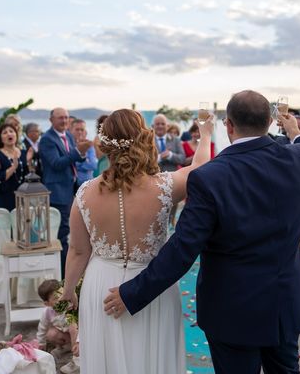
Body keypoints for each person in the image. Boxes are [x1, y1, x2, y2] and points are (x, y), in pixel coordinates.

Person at [101, 92, 300, 374]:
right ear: (271, 121)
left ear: (229, 125)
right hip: (285, 304)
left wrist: (132, 293)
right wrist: (297, 135)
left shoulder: (210, 177)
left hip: (232, 312)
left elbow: (183, 249)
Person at [60, 108, 215, 374]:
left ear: (106, 143)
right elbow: (200, 169)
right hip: (152, 287)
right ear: (144, 139)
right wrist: (206, 133)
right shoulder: (166, 186)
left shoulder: (85, 193)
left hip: (101, 286)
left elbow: (77, 251)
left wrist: (68, 291)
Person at [40, 108, 92, 274]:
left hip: (71, 188)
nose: (64, 121)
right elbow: (56, 163)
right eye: (60, 118)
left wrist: (81, 154)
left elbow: (73, 159)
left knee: (72, 231)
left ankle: (70, 269)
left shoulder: (68, 135)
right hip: (57, 191)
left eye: (66, 118)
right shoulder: (47, 139)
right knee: (62, 234)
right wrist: (78, 152)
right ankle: (63, 273)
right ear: (51, 120)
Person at [36, 280, 80, 373]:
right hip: (65, 335)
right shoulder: (47, 312)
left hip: (79, 335)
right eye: (56, 298)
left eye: (61, 293)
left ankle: (76, 359)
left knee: (73, 329)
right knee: (51, 334)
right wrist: (41, 344)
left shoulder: (70, 304)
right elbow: (42, 328)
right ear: (47, 303)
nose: (61, 298)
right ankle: (66, 348)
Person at [0, 123, 31, 211]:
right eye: (5, 133)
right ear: (0, 138)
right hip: (4, 198)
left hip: (22, 198)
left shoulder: (23, 152)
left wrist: (29, 163)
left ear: (16, 135)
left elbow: (27, 175)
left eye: (11, 131)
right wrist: (14, 166)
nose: (9, 134)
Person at [71, 119, 97, 187]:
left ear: (85, 131)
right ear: (71, 130)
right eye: (77, 129)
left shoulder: (89, 146)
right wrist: (86, 161)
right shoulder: (68, 145)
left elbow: (93, 165)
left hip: (86, 184)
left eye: (82, 130)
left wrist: (78, 163)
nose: (79, 132)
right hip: (71, 185)